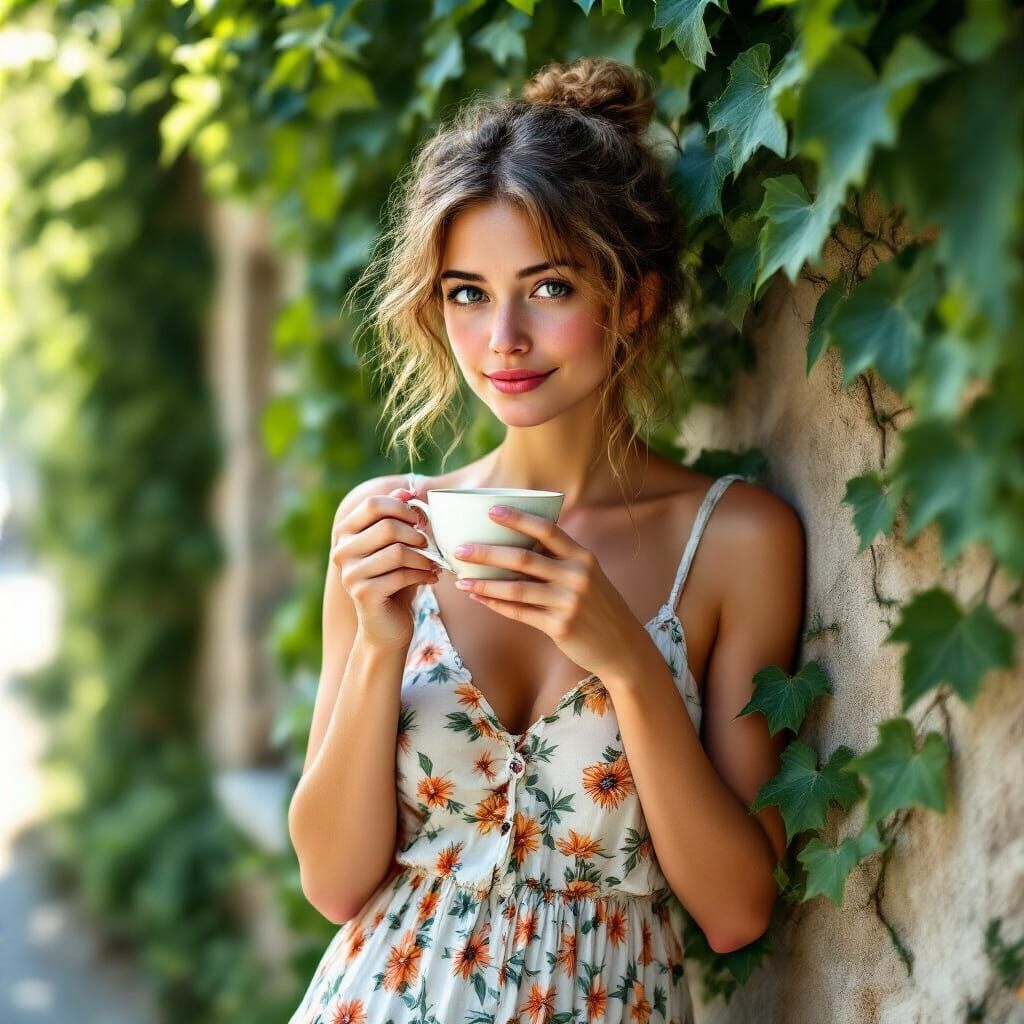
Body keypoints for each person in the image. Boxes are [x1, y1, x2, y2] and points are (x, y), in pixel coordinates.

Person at [288, 55, 804, 1024]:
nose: (502, 339)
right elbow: (331, 881)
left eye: (549, 287)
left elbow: (737, 910)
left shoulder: (733, 540)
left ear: (635, 301)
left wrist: (627, 661)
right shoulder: (388, 525)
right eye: (467, 293)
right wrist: (379, 643)